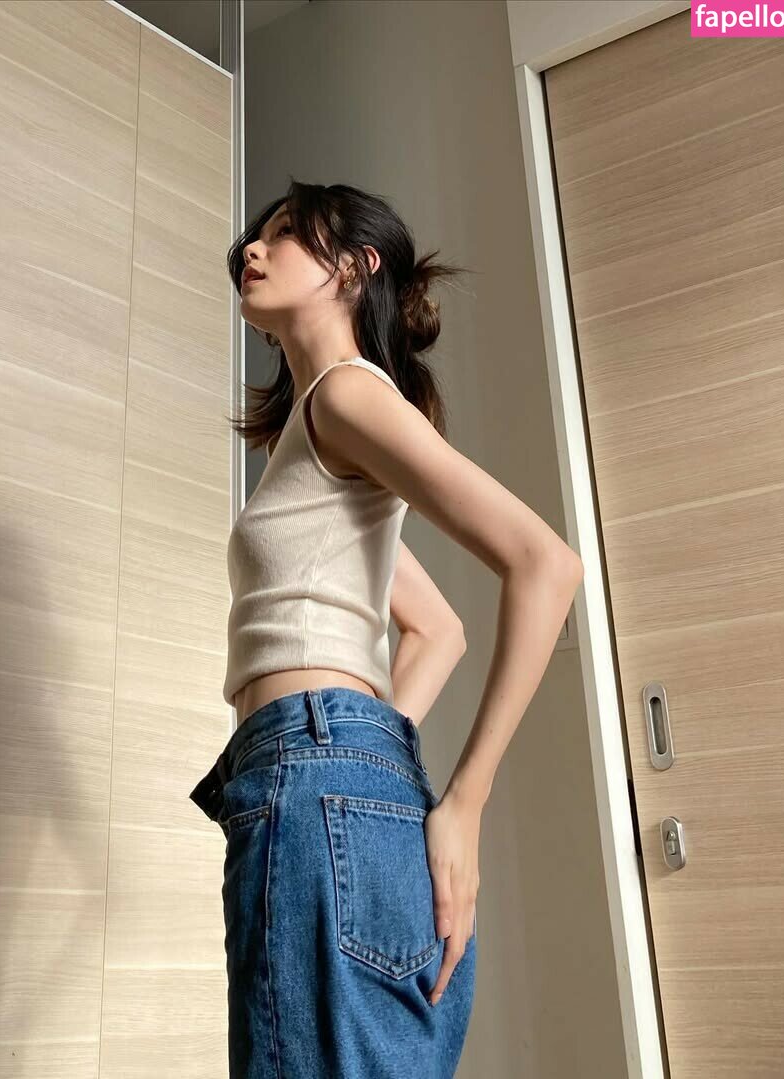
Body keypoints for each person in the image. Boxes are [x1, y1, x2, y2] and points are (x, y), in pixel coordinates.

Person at [189, 181, 583, 1078]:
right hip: (336, 781)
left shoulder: (344, 396)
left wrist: (465, 802)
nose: (252, 249)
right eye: (255, 237)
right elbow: (438, 629)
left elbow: (545, 563)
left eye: (286, 234)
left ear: (354, 267)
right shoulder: (321, 430)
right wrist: (361, 753)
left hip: (310, 781)